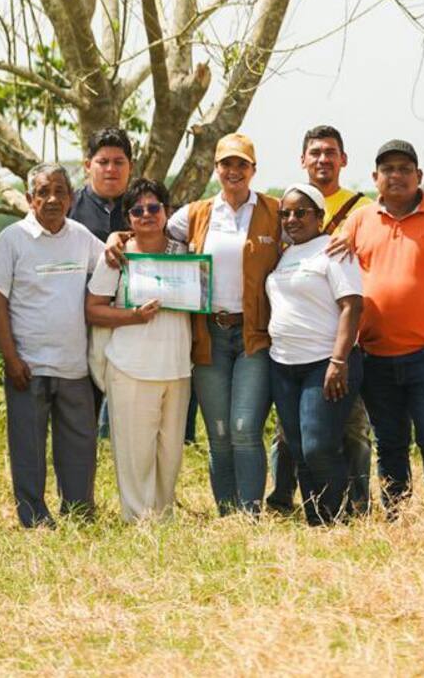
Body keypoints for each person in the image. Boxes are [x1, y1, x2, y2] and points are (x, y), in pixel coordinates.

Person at [334, 140, 424, 513]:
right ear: (375, 178)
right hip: (374, 353)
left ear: (419, 176)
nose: (395, 176)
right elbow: (331, 264)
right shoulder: (360, 220)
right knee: (390, 442)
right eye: (388, 170)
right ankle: (397, 513)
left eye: (404, 169)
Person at [164, 133, 281, 515]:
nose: (233, 171)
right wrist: (118, 239)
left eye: (241, 164)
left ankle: (250, 513)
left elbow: (309, 238)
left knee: (245, 428)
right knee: (218, 432)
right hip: (208, 334)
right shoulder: (195, 214)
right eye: (226, 164)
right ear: (216, 169)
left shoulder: (274, 211)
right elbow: (152, 237)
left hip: (253, 335)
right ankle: (227, 512)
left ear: (253, 170)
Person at [0, 163, 104, 527]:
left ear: (71, 198)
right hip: (28, 364)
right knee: (28, 448)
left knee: (79, 447)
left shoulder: (82, 236)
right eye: (43, 192)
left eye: (60, 191)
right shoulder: (12, 238)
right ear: (29, 199)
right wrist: (9, 357)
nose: (52, 199)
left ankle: (79, 512)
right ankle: (34, 517)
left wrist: (123, 243)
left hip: (74, 364)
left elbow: (114, 263)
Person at [268, 125, 373, 515]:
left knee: (320, 443)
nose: (293, 219)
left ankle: (341, 511)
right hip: (283, 363)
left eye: (302, 213)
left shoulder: (333, 249)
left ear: (318, 216)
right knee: (296, 444)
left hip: (324, 362)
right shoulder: (282, 252)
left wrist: (338, 361)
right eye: (287, 214)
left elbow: (352, 305)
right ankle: (316, 516)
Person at [86, 178, 191, 521]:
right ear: (127, 218)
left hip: (176, 367)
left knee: (170, 451)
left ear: (166, 212)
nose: (147, 215)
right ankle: (138, 518)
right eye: (138, 210)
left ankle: (163, 516)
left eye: (154, 208)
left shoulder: (185, 254)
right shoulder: (116, 256)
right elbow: (93, 309)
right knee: (135, 452)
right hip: (131, 366)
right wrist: (133, 316)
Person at [69, 128, 134, 436]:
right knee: (81, 424)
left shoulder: (144, 208)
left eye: (119, 162)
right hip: (78, 328)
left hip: (132, 327)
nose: (111, 169)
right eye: (103, 161)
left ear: (130, 166)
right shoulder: (68, 207)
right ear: (87, 165)